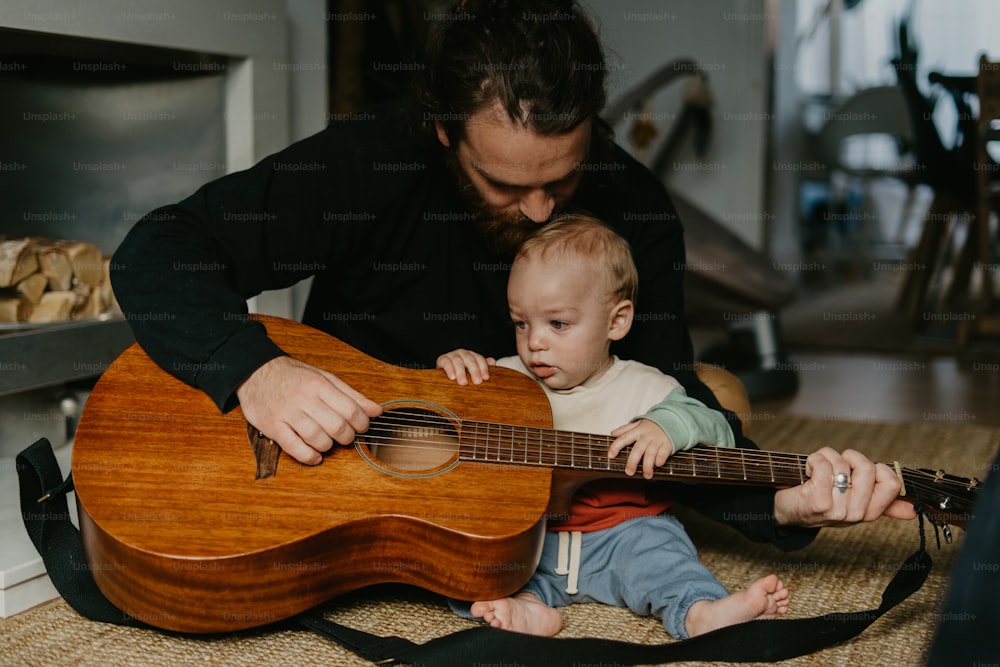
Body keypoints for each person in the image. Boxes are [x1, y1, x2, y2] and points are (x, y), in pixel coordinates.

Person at [110, 0, 914, 560]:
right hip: (350, 465)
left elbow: (660, 404)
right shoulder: (374, 156)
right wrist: (254, 369)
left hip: (534, 473)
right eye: (502, 184)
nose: (536, 211)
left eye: (560, 181)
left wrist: (782, 501)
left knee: (716, 393)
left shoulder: (634, 203)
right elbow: (160, 247)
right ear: (442, 130)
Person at [436, 214, 789, 638]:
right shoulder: (506, 379)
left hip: (625, 533)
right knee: (471, 565)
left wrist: (667, 426)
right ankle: (529, 608)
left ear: (616, 321)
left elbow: (719, 428)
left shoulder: (645, 386)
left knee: (665, 559)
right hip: (534, 538)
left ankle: (701, 613)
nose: (534, 343)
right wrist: (454, 371)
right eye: (521, 323)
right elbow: (440, 423)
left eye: (558, 324)